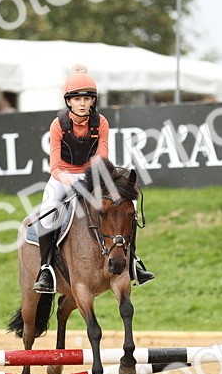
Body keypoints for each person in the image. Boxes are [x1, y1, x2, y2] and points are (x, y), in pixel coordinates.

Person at [33, 64, 155, 293]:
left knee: (129, 207)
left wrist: (91, 180)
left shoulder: (101, 123)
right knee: (47, 215)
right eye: (77, 99)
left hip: (93, 175)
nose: (82, 103)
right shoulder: (58, 125)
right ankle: (46, 270)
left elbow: (102, 158)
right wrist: (72, 182)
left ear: (92, 101)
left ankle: (134, 262)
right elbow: (55, 166)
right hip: (63, 177)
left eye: (87, 99)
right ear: (68, 102)